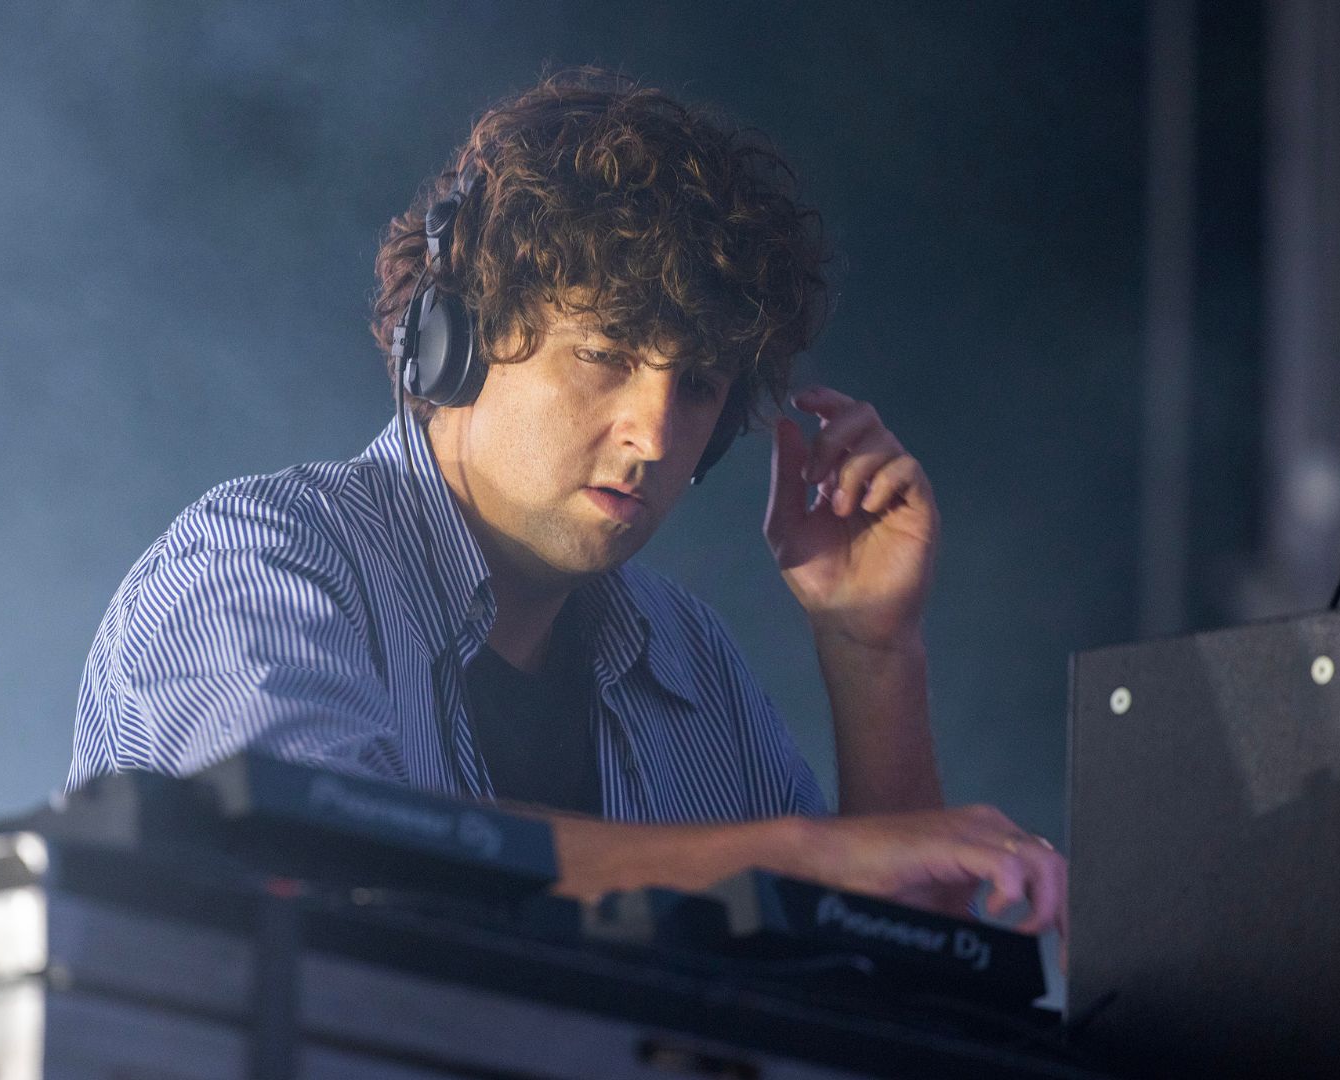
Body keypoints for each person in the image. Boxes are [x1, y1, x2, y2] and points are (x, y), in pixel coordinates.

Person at [68, 70, 1065, 936]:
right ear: (455, 340)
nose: (657, 433)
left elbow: (892, 999)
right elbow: (317, 862)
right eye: (606, 355)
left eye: (702, 387)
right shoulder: (257, 567)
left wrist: (871, 649)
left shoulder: (696, 670)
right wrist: (791, 856)